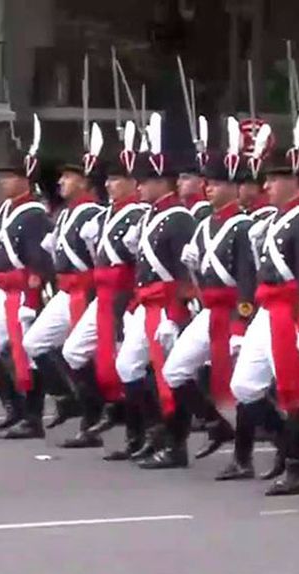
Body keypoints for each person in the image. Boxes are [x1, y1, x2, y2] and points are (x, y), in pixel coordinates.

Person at [145, 120, 253, 471]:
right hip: (208, 310)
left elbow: (247, 280)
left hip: (233, 312)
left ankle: (249, 454)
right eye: (207, 182)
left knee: (239, 387)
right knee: (175, 371)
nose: (209, 188)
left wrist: (241, 324)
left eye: (218, 183)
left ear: (235, 188)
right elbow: (191, 279)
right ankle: (202, 429)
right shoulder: (206, 224)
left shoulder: (242, 226)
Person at [228, 113, 299, 490]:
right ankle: (286, 444)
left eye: (274, 179)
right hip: (267, 310)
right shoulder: (275, 219)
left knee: (292, 391)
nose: (266, 185)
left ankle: (296, 469)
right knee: (245, 386)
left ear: (294, 183)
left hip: (288, 312)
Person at [112, 114, 198, 463]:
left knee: (168, 376)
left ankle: (176, 443)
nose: (140, 187)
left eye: (146, 181)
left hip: (166, 306)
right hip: (146, 303)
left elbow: (183, 276)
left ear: (164, 183)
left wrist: (175, 316)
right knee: (128, 368)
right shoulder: (149, 215)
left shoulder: (178, 218)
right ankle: (155, 431)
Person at [61, 127, 148, 450]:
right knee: (74, 351)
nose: (110, 185)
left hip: (124, 296)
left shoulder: (138, 213)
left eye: (116, 179)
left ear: (132, 183)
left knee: (125, 362)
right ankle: (104, 411)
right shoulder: (109, 213)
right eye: (108, 180)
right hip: (103, 294)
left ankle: (134, 430)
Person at [0, 126, 55, 438]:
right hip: (3, 290)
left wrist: (31, 299)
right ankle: (14, 408)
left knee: (26, 355)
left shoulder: (34, 214)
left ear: (25, 179)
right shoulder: (6, 210)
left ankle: (33, 418)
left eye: (9, 176)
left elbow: (39, 261)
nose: (3, 181)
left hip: (22, 293)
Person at [19, 128, 106, 438]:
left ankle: (92, 415)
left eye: (68, 178)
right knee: (34, 342)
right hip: (65, 290)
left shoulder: (95, 214)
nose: (60, 182)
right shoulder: (65, 214)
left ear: (83, 181)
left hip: (87, 290)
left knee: (82, 353)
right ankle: (68, 398)